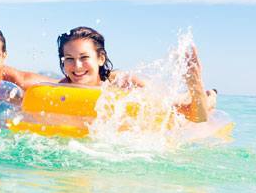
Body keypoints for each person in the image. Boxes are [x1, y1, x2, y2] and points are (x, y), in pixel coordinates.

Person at [56, 26, 215, 122]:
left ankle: (209, 94)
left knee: (182, 101)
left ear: (100, 58)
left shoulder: (122, 83)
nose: (77, 66)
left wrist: (194, 83)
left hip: (164, 96)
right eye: (69, 58)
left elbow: (198, 118)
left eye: (84, 57)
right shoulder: (62, 89)